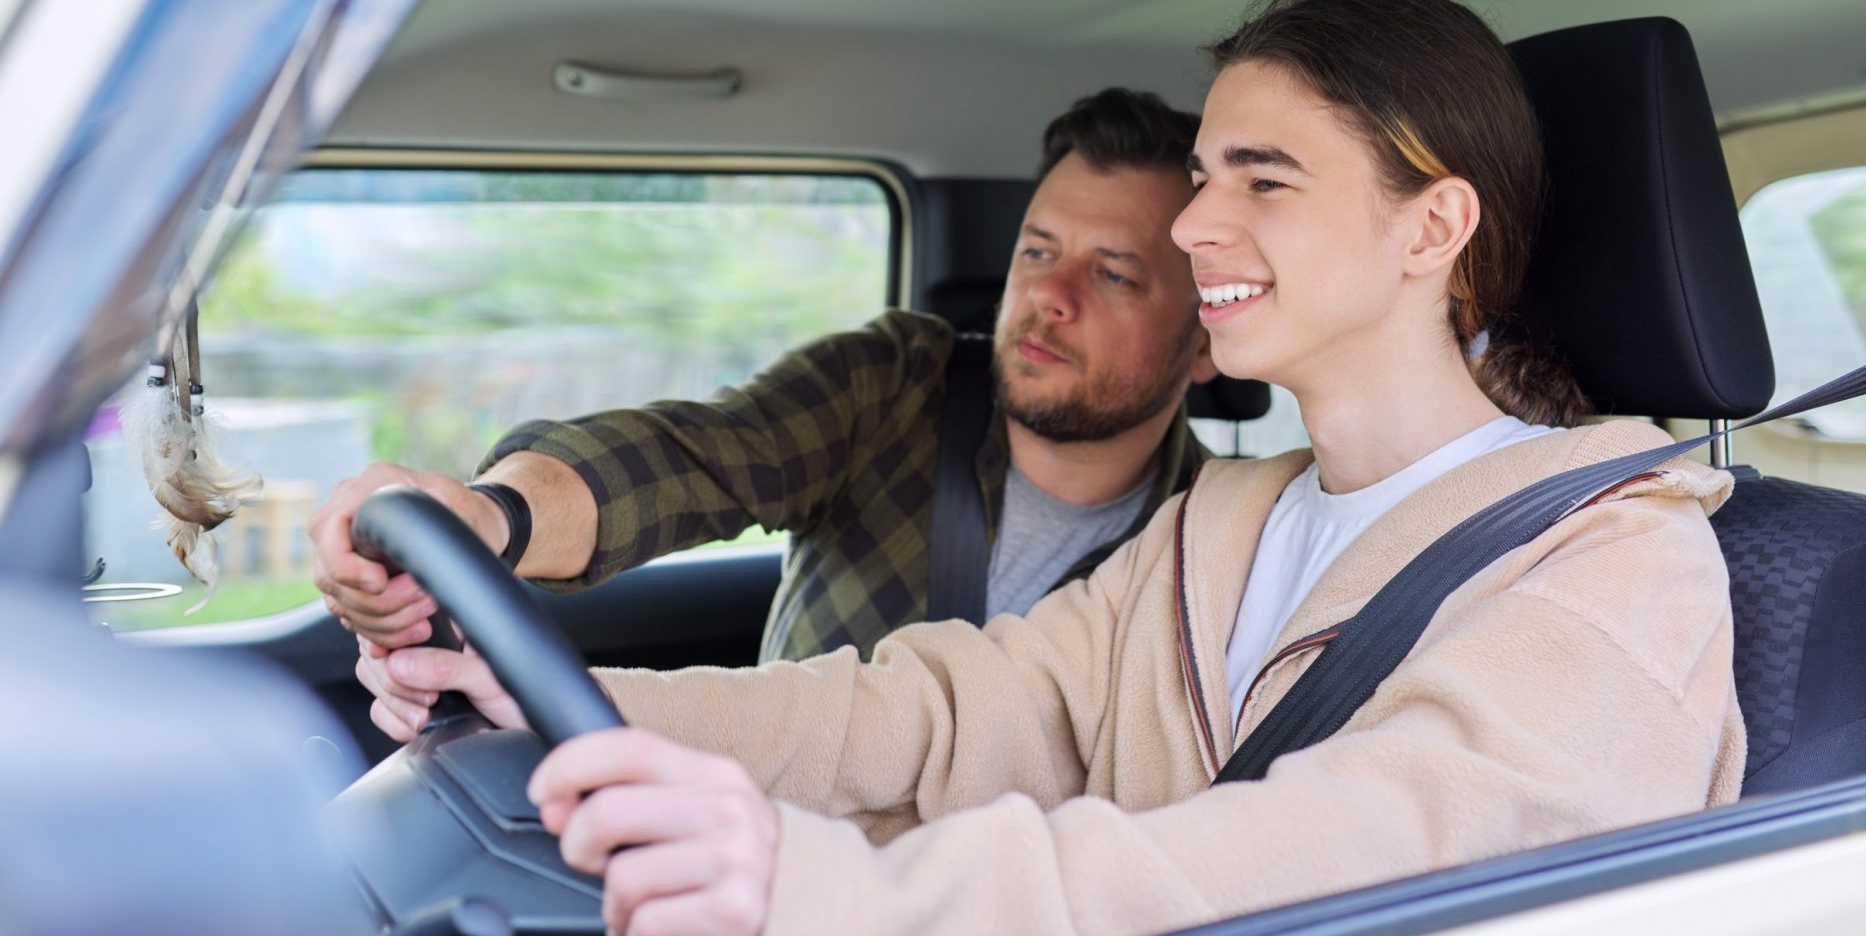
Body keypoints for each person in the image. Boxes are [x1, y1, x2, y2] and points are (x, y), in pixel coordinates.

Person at [356, 0, 1745, 936]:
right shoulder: (1229, 523)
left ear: (1431, 229)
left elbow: (1341, 868)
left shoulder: (1617, 569)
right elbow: (945, 707)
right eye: (1208, 180)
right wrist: (563, 702)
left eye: (1263, 181)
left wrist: (830, 901)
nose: (1198, 226)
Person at [312, 88, 1219, 664]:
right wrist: (493, 519)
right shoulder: (898, 386)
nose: (1048, 294)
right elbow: (689, 459)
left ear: (1202, 338)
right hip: (762, 876)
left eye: (1114, 273)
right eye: (1037, 249)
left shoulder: (1223, 538)